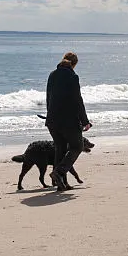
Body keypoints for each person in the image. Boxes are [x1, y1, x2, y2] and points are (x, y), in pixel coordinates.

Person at [45, 52, 92, 191]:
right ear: (74, 64)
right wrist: (85, 121)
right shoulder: (72, 76)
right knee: (77, 147)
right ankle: (59, 173)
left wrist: (50, 116)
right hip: (68, 122)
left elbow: (48, 98)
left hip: (52, 121)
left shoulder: (52, 75)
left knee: (60, 149)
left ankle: (62, 184)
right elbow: (77, 100)